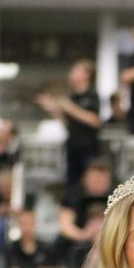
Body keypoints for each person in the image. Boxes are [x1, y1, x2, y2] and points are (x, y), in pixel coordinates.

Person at [36, 58, 101, 186]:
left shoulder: (92, 95)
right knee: (73, 184)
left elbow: (95, 121)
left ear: (87, 75)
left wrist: (69, 107)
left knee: (88, 183)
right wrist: (54, 110)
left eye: (76, 71)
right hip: (72, 147)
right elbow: (68, 124)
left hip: (88, 148)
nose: (71, 74)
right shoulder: (72, 97)